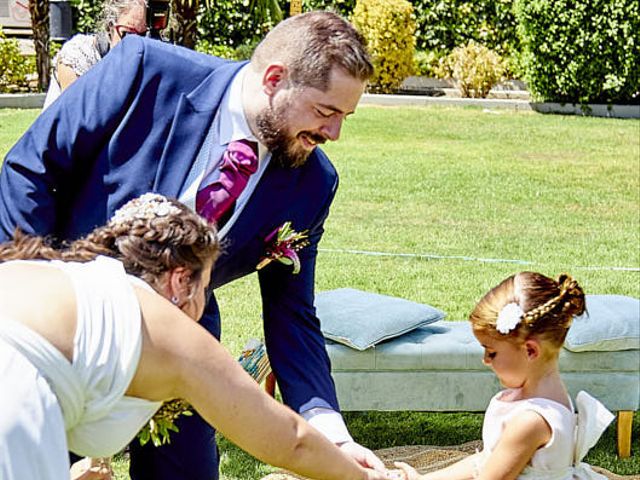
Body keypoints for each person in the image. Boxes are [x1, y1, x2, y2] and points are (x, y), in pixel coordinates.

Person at [0, 10, 383, 479]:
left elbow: (292, 315)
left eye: (345, 117)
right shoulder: (144, 70)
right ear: (274, 78)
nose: (333, 134)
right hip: (65, 331)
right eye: (326, 111)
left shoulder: (313, 185)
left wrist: (333, 434)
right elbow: (32, 169)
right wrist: (28, 281)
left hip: (185, 337)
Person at [0, 193, 388, 480]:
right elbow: (291, 439)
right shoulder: (162, 326)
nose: (204, 300)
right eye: (206, 284)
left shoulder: (68, 274)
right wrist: (362, 477)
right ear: (181, 280)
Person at [393, 272, 615, 480]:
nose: (486, 360)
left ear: (530, 351)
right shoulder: (545, 398)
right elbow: (486, 460)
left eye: (492, 352)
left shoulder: (531, 420)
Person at [43, 0, 148, 109]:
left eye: (143, 36)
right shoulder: (77, 54)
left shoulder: (143, 62)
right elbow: (74, 115)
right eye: (128, 34)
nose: (137, 44)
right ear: (110, 25)